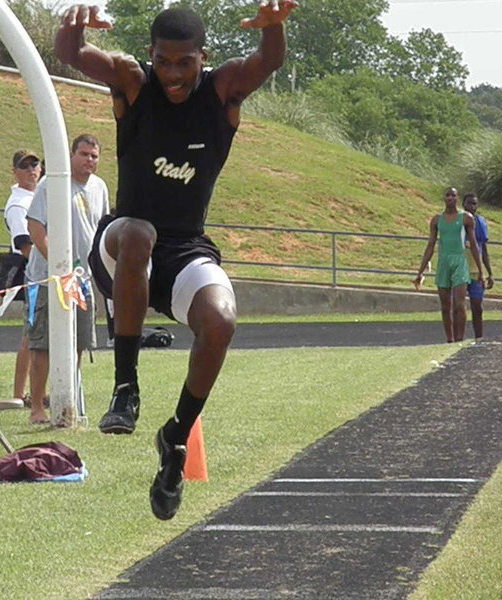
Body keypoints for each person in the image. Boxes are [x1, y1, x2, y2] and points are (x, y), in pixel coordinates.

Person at [55, 1, 297, 520]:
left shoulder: (222, 89)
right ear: (151, 56)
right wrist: (73, 25)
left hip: (184, 247)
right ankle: (125, 388)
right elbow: (69, 55)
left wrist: (273, 26)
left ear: (202, 59)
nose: (172, 75)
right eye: (164, 61)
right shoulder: (133, 82)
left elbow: (267, 61)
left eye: (184, 63)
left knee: (221, 321)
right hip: (121, 242)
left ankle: (175, 436)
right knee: (140, 231)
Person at [25, 134, 109, 424]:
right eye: (84, 154)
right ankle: (37, 407)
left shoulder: (99, 187)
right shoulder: (52, 183)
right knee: (44, 345)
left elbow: (102, 231)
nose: (89, 160)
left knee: (79, 342)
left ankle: (67, 399)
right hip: (51, 278)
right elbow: (35, 227)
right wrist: (57, 266)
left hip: (83, 280)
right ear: (71, 155)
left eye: (94, 156)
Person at [414, 187, 485, 343]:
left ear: (457, 198)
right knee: (446, 306)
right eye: (448, 195)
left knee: (459, 304)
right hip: (443, 262)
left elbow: (474, 245)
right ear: (444, 198)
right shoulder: (436, 220)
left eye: (453, 195)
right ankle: (450, 339)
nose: (451, 198)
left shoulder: (465, 218)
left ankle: (459, 338)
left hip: (459, 261)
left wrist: (481, 271)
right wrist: (420, 272)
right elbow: (430, 245)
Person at [3, 149, 42, 403]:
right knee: (31, 333)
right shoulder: (18, 204)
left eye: (34, 165)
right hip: (35, 274)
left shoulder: (39, 196)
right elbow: (24, 245)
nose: (31, 170)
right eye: (24, 166)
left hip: (45, 271)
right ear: (14, 171)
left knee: (39, 334)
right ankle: (19, 393)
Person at [462, 193, 494, 339]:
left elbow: (484, 249)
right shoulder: (457, 221)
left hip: (476, 270)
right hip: (460, 269)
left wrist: (489, 272)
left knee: (477, 306)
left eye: (474, 204)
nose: (472, 207)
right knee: (458, 307)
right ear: (463, 204)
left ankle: (479, 338)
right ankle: (458, 339)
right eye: (469, 203)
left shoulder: (480, 223)